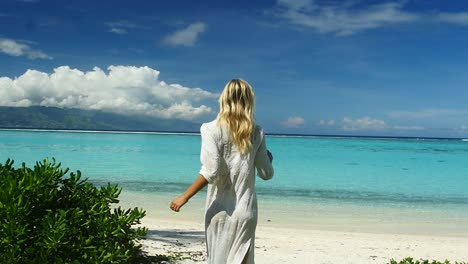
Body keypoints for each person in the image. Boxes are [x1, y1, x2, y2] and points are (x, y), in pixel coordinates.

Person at [170, 79, 274, 264]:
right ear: (250, 100)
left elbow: (211, 170)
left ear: (223, 99)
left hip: (218, 210)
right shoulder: (257, 132)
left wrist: (184, 196)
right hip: (246, 211)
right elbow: (266, 174)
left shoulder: (210, 129)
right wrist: (268, 158)